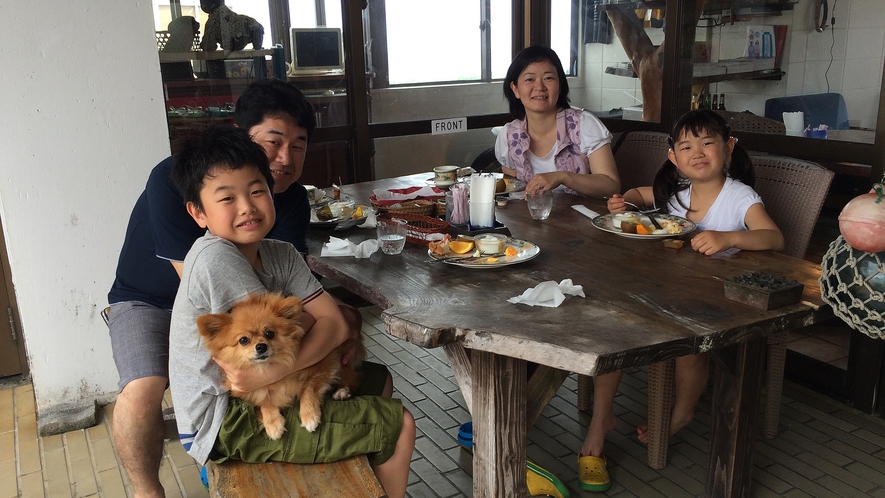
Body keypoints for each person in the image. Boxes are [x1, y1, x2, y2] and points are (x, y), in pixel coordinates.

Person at [106, 79, 375, 498]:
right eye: (274, 141)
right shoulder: (176, 183)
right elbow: (229, 301)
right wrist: (310, 327)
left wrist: (328, 322)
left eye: (298, 145)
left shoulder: (289, 201)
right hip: (155, 300)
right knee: (144, 387)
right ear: (241, 134)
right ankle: (148, 489)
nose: (284, 158)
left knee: (346, 326)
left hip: (244, 311)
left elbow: (288, 289)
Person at [166, 126, 414, 497]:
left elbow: (332, 327)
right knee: (401, 425)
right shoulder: (214, 256)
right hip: (225, 418)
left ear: (271, 192)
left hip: (269, 386)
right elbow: (268, 347)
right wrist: (312, 325)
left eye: (256, 191)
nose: (247, 207)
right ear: (198, 213)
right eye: (226, 198)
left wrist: (319, 327)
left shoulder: (281, 253)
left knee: (377, 380)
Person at [580, 109, 784, 492]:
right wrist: (621, 201)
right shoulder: (679, 195)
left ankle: (682, 412)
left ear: (729, 147)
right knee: (615, 325)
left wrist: (730, 238)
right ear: (673, 157)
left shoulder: (739, 197)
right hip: (670, 292)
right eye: (686, 146)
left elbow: (774, 237)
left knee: (690, 350)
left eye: (708, 143)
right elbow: (641, 194)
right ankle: (600, 422)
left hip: (719, 302)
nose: (698, 152)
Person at [495, 45, 620, 197]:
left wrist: (563, 177)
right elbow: (511, 187)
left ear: (560, 85)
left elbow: (611, 185)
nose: (539, 87)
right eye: (529, 79)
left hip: (579, 218)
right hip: (526, 218)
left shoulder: (584, 125)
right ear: (515, 89)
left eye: (548, 78)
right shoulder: (509, 135)